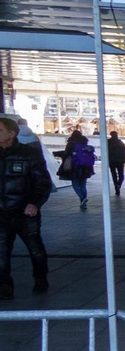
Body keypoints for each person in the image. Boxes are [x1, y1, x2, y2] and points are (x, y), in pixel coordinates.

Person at [0, 116, 51, 300]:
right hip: (1, 213)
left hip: (24, 212)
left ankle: (40, 278)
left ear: (11, 133)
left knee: (35, 249)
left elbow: (43, 183)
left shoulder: (29, 154)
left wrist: (34, 203)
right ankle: (4, 287)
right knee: (2, 252)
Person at [59, 130, 96, 210]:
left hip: (75, 166)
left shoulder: (71, 143)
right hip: (86, 167)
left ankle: (83, 199)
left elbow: (66, 154)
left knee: (75, 184)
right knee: (83, 185)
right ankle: (83, 203)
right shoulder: (84, 142)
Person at [106, 130, 125, 196]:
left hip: (111, 161)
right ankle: (118, 185)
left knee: (113, 174)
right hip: (120, 161)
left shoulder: (108, 142)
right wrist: (124, 159)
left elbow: (105, 151)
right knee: (121, 175)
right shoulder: (120, 142)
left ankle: (116, 186)